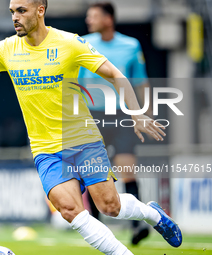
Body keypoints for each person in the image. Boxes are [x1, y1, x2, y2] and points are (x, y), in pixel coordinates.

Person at [0, 0, 182, 254]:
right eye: (11, 12)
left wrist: (136, 113)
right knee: (69, 210)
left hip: (84, 140)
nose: (15, 18)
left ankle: (152, 214)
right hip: (45, 149)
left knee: (110, 206)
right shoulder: (6, 49)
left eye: (21, 11)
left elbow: (115, 74)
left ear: (40, 10)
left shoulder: (69, 43)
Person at [78, 2, 153, 245]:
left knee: (127, 169)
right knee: (93, 171)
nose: (89, 20)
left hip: (122, 115)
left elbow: (141, 82)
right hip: (93, 116)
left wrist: (146, 113)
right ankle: (97, 228)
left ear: (108, 19)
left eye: (94, 16)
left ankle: (137, 226)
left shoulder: (131, 45)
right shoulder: (83, 44)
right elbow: (76, 83)